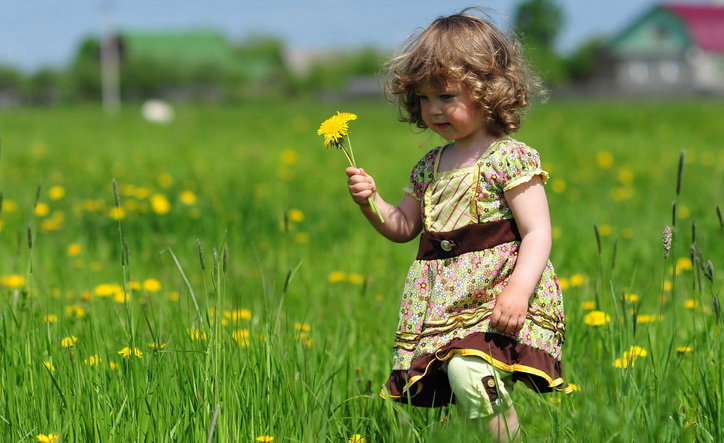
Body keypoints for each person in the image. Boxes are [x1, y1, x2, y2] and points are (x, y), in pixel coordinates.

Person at [345, 8, 570, 442]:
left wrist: (519, 291)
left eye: (446, 96)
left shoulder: (509, 158)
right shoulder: (429, 165)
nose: (433, 110)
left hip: (499, 293)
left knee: (469, 371)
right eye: (424, 99)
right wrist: (370, 201)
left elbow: (538, 231)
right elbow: (404, 226)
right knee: (463, 380)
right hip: (445, 301)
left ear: (488, 91)